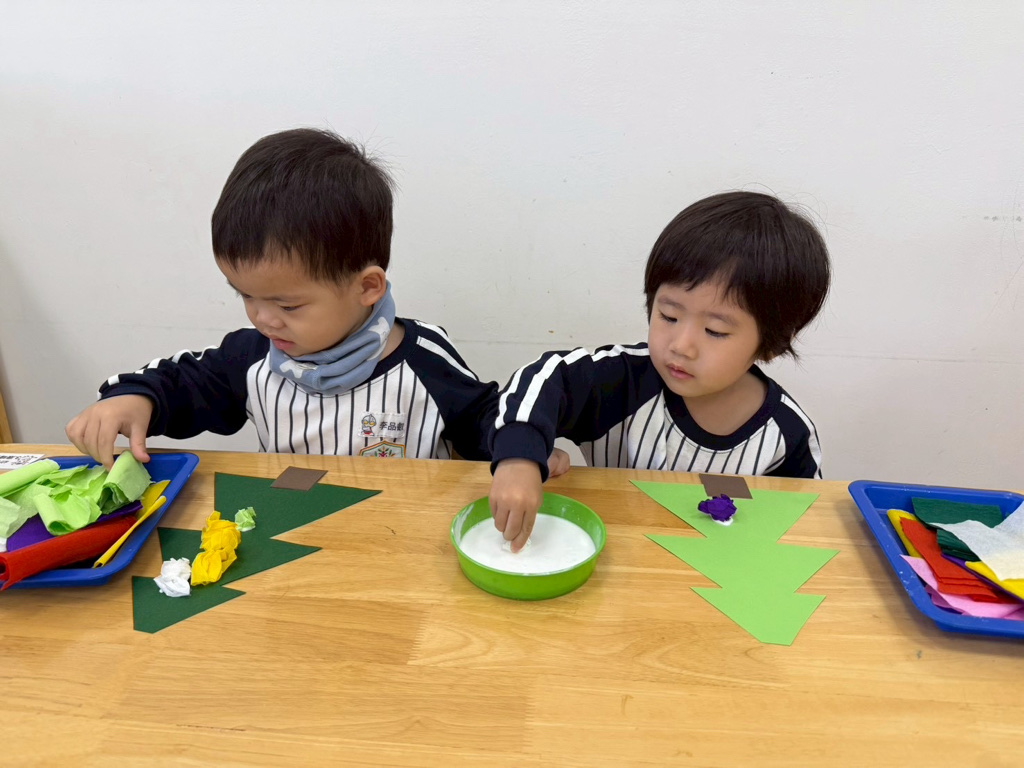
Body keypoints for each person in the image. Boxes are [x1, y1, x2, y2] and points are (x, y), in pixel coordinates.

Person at [66, 128, 497, 467]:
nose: (263, 319)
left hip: (399, 536)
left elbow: (488, 424)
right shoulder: (253, 357)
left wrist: (517, 453)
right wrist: (136, 398)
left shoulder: (426, 362)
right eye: (246, 296)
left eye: (288, 306)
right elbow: (182, 382)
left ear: (367, 287)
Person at [489, 191, 831, 551]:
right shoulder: (621, 381)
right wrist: (519, 457)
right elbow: (543, 378)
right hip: (615, 562)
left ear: (772, 343)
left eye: (715, 331)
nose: (681, 345)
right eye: (669, 316)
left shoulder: (786, 436)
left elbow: (801, 533)